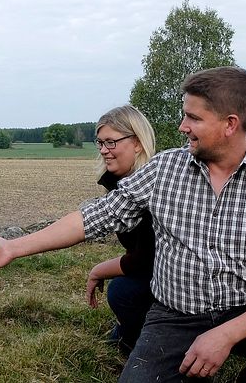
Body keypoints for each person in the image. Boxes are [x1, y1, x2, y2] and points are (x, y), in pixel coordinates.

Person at [0, 66, 246, 382]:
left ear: (230, 124)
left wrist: (226, 334)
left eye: (192, 117)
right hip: (175, 316)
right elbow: (94, 217)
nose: (182, 126)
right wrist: (13, 247)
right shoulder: (166, 168)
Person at [85, 106, 156, 355]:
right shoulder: (119, 184)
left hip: (179, 282)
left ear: (137, 143)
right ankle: (132, 330)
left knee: (122, 291)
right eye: (100, 143)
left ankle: (146, 345)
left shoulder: (150, 187)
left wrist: (98, 271)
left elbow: (147, 258)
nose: (104, 150)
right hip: (156, 273)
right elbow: (85, 222)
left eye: (111, 142)